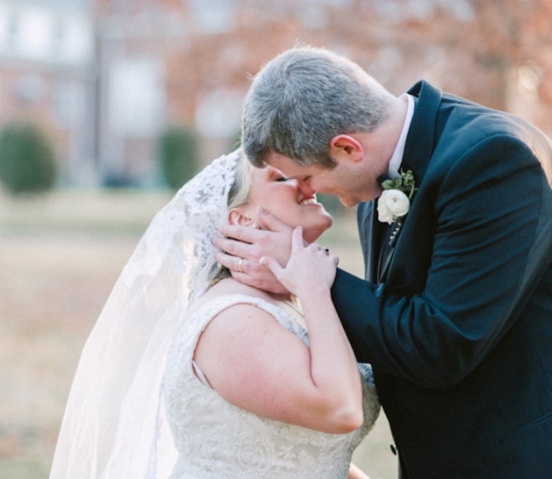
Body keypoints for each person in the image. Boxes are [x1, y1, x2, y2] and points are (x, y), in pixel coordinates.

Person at [214, 46, 552, 478]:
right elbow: (390, 311)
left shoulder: (492, 160)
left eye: (306, 177)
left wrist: (310, 279)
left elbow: (442, 344)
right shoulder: (372, 184)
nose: (309, 192)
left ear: (347, 148)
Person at [49, 150, 379, 478]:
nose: (306, 184)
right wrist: (314, 288)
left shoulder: (280, 305)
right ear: (241, 220)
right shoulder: (233, 322)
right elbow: (340, 410)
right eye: (283, 178)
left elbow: (298, 455)